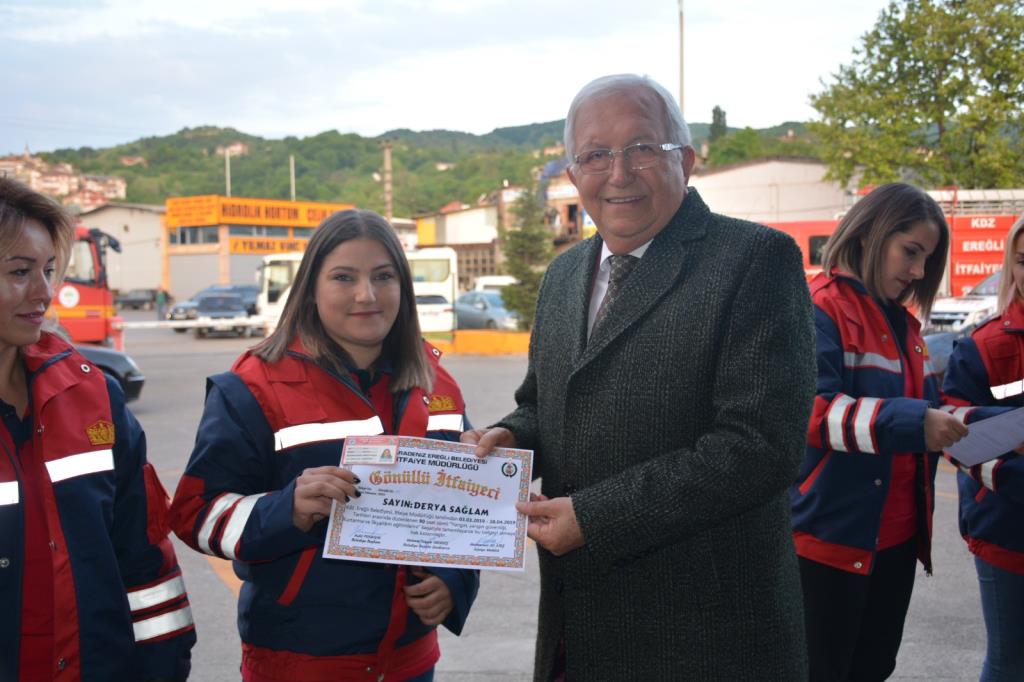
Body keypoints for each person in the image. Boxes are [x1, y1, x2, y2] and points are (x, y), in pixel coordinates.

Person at [463, 74, 817, 680]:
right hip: (580, 631)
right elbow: (543, 404)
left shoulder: (756, 259)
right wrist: (511, 437)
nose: (619, 173)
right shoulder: (564, 275)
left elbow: (761, 447)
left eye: (643, 148)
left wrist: (596, 518)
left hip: (706, 640)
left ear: (687, 160)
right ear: (573, 175)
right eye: (596, 154)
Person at [168, 209, 478, 682]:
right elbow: (197, 515)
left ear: (403, 286)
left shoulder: (437, 383)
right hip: (299, 663)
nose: (366, 294)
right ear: (311, 288)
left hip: (411, 662)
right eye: (343, 277)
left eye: (383, 276)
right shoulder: (253, 387)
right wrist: (287, 509)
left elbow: (463, 512)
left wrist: (454, 581)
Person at [0, 177, 196, 681]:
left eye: (48, 270)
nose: (44, 292)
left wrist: (164, 668)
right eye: (20, 272)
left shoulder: (94, 396)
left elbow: (144, 559)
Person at [792, 182, 970, 681]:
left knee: (871, 669)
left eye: (926, 259)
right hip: (829, 542)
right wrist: (916, 423)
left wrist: (977, 424)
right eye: (910, 252)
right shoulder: (819, 307)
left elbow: (929, 409)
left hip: (895, 543)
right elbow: (810, 411)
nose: (918, 272)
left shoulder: (904, 325)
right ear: (869, 233)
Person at [942, 214, 1024, 681]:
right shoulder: (983, 347)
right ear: (1010, 265)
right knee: (1009, 663)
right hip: (1006, 532)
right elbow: (956, 439)